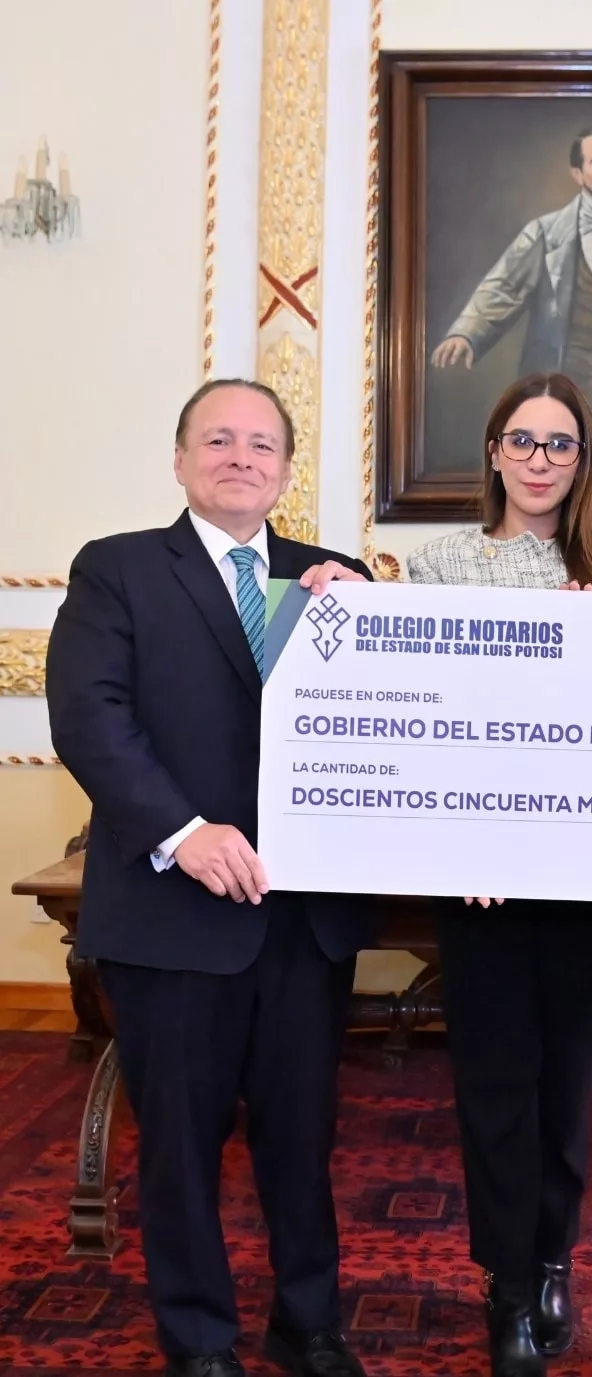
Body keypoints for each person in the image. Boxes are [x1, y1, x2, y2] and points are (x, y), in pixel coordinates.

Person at [45, 380, 377, 1377]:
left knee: (302, 1137)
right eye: (219, 440)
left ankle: (308, 1323)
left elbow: (392, 722)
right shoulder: (117, 570)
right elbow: (90, 718)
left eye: (262, 444)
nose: (242, 457)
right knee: (181, 1143)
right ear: (181, 459)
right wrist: (182, 832)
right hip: (173, 912)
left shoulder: (335, 578)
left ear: (286, 468)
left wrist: (374, 624)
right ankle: (197, 1337)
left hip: (303, 922)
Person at [406, 372, 592, 1377]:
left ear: (583, 459)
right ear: (493, 451)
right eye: (523, 440)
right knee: (494, 1081)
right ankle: (506, 1283)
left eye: (560, 444)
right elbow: (423, 711)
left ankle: (553, 1259)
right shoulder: (435, 564)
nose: (540, 460)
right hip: (479, 875)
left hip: (586, 870)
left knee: (566, 1079)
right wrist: (464, 839)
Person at [430, 125, 592, 474]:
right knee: (557, 478)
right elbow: (503, 288)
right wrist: (466, 333)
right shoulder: (544, 233)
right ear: (577, 173)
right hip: (560, 392)